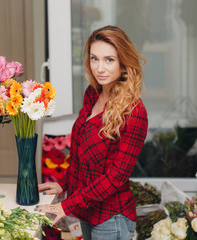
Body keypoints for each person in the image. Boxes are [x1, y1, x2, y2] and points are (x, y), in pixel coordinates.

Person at [35, 25, 148, 240]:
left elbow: (116, 177)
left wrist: (67, 204)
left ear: (123, 64)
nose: (99, 68)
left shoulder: (134, 111)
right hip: (87, 210)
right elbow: (82, 156)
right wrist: (64, 183)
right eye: (94, 59)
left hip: (112, 218)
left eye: (109, 60)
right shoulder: (93, 94)